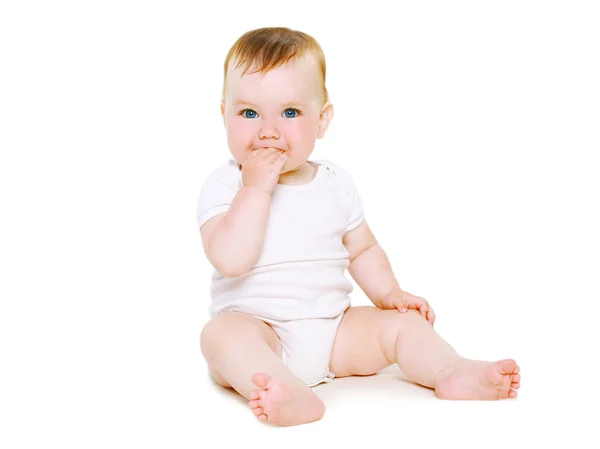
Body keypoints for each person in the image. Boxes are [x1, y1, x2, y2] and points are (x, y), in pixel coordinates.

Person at [197, 27, 520, 427]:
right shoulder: (226, 185)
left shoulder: (335, 182)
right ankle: (287, 390)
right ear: (224, 114)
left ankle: (450, 371)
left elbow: (363, 249)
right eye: (249, 113)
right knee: (219, 336)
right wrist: (255, 190)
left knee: (404, 326)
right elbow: (231, 259)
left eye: (290, 113)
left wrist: (390, 292)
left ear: (322, 120)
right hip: (262, 333)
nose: (268, 130)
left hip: (335, 331)